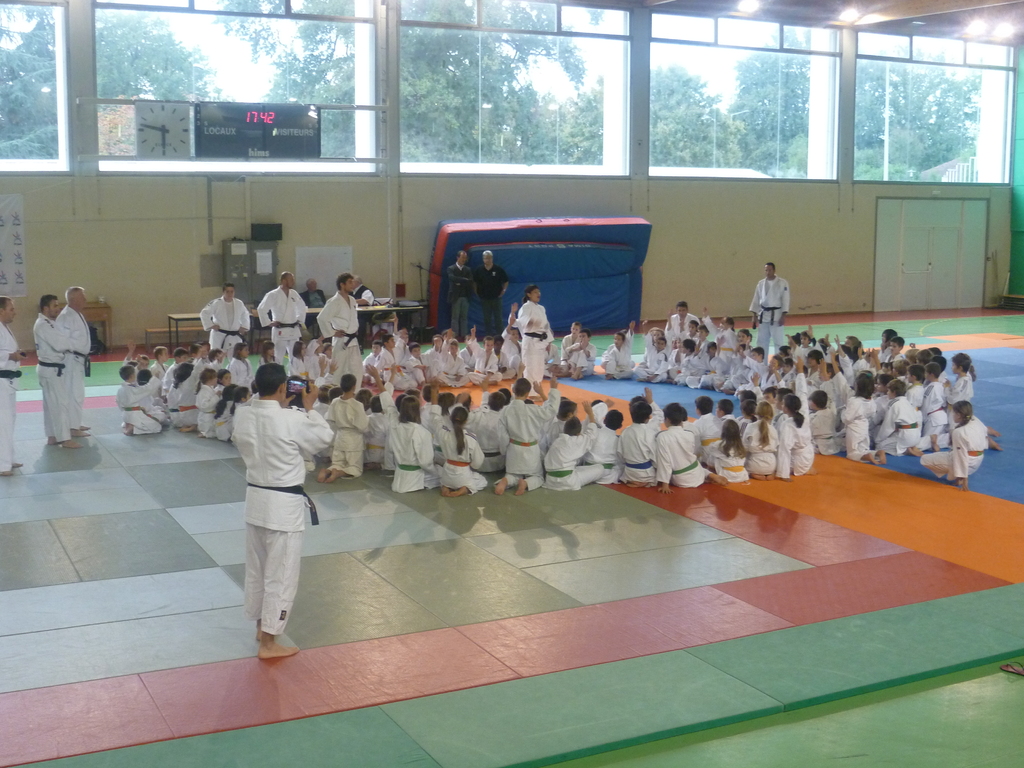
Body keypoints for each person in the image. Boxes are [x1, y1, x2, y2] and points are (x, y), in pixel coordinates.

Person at [234, 363, 332, 659]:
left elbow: (260, 418)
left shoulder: (242, 415)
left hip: (255, 501)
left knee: (258, 570)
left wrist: (282, 403)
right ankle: (269, 643)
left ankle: (260, 627)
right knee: (281, 574)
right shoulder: (292, 419)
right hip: (283, 508)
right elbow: (324, 438)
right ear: (282, 388)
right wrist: (310, 407)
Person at [497, 375, 561, 495]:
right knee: (538, 476)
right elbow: (552, 410)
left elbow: (503, 436)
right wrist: (553, 389)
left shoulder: (505, 410)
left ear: (513, 390)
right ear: (528, 394)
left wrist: (504, 451)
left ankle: (506, 480)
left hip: (514, 448)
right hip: (531, 448)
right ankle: (526, 483)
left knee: (512, 474)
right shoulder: (533, 409)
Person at [33, 294, 80, 449]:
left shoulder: (49, 323)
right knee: (60, 404)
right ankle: (65, 439)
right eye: (55, 306)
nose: (58, 308)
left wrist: (67, 343)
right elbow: (60, 344)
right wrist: (71, 344)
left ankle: (52, 436)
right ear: (45, 308)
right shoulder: (43, 325)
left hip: (50, 368)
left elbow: (62, 341)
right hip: (50, 369)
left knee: (50, 404)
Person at [920, 401, 986, 492]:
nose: (952, 415)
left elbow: (961, 456)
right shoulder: (976, 421)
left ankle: (956, 473)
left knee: (924, 459)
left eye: (953, 413)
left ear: (958, 415)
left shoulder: (959, 432)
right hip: (978, 459)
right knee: (951, 454)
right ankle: (957, 472)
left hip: (968, 461)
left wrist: (964, 478)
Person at [56, 286, 92, 438]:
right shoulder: (66, 316)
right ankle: (72, 427)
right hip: (71, 359)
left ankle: (75, 422)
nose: (85, 299)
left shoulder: (76, 314)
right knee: (73, 394)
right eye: (82, 297)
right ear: (73, 299)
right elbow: (62, 341)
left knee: (78, 393)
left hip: (78, 359)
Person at [321, 373, 369, 483]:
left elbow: (331, 419)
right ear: (354, 387)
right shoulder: (357, 405)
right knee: (355, 468)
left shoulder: (335, 401)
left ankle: (328, 471)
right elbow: (363, 426)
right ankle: (339, 473)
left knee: (338, 463)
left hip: (340, 437)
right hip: (353, 440)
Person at [318, 272, 362, 386]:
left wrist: (354, 327)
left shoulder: (352, 300)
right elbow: (322, 318)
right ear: (342, 285)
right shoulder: (334, 301)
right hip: (341, 340)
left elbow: (352, 317)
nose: (352, 285)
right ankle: (336, 392)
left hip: (353, 340)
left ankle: (355, 392)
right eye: (350, 282)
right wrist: (332, 332)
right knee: (338, 369)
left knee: (357, 369)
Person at [0, 297, 28, 476]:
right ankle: (3, 465)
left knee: (10, 420)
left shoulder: (4, 328)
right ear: (1, 311)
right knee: (3, 423)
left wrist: (15, 354)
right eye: (11, 309)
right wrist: (11, 356)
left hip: (8, 381)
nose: (14, 312)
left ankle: (8, 458)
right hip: (1, 382)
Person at [257, 272, 307, 367]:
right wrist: (268, 322)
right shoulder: (273, 294)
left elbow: (302, 307)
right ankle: (277, 374)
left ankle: (294, 374)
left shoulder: (294, 293)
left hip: (293, 329)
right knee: (277, 357)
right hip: (280, 329)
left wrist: (299, 319)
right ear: (284, 281)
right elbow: (261, 309)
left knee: (295, 357)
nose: (293, 282)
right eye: (291, 280)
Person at [514, 287, 553, 390]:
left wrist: (549, 341)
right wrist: (531, 322)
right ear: (529, 294)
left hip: (541, 341)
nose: (538, 294)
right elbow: (523, 321)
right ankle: (530, 392)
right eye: (535, 292)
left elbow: (546, 326)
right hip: (530, 341)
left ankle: (537, 390)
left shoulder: (541, 308)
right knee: (530, 368)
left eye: (539, 292)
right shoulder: (526, 307)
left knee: (539, 368)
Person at [749, 262, 790, 354]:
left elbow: (785, 299)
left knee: (778, 341)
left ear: (774, 270)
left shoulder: (782, 283)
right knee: (761, 341)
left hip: (777, 315)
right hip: (763, 315)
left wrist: (783, 315)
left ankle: (778, 361)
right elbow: (756, 299)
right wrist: (754, 315)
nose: (768, 272)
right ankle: (761, 361)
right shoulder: (761, 283)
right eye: (766, 270)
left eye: (770, 270)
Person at [200, 282, 251, 354]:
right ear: (223, 292)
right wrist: (211, 325)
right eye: (227, 291)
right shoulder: (216, 303)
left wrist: (244, 326)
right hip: (219, 334)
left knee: (236, 356)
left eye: (232, 291)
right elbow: (204, 313)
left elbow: (245, 314)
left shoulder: (239, 303)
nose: (230, 294)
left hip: (234, 335)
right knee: (216, 356)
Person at [473, 250, 509, 337]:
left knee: (498, 318)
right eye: (486, 258)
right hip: (484, 298)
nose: (488, 260)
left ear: (492, 258)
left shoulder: (498, 269)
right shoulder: (479, 270)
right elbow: (474, 282)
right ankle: (488, 336)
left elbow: (506, 280)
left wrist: (503, 290)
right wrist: (476, 291)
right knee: (487, 318)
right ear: (483, 259)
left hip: (497, 297)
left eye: (489, 258)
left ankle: (500, 336)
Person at [448, 250, 473, 339]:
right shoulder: (451, 268)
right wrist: (464, 280)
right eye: (462, 257)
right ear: (457, 257)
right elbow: (452, 278)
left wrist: (460, 282)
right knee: (455, 317)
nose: (464, 259)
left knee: (464, 317)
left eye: (465, 258)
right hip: (455, 296)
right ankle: (455, 336)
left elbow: (470, 281)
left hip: (465, 296)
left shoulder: (468, 269)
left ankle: (463, 335)